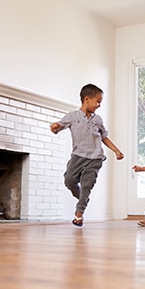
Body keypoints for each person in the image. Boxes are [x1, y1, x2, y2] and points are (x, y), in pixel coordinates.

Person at [50, 83, 124, 227]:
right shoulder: (72, 116)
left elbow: (104, 137)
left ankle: (79, 215)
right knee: (69, 180)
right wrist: (54, 127)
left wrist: (116, 150)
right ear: (87, 99)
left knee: (86, 185)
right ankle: (83, 199)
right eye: (98, 102)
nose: (99, 105)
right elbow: (57, 128)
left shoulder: (98, 120)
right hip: (78, 156)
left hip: (95, 158)